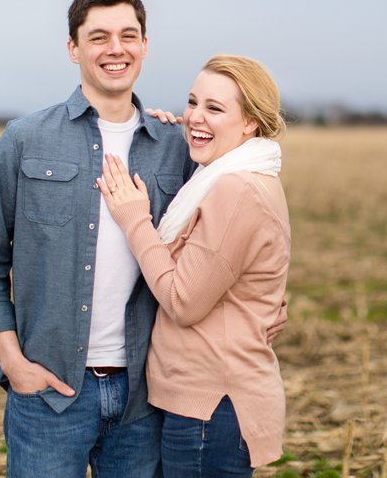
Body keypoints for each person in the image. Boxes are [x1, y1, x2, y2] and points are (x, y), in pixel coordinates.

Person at [0, 0, 197, 477]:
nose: (116, 49)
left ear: (145, 45)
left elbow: (218, 241)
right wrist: (13, 362)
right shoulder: (24, 139)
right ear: (73, 49)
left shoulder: (175, 147)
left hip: (145, 395)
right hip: (48, 395)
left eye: (128, 35)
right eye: (98, 37)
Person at [97, 54, 290, 477]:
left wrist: (135, 219)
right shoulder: (230, 177)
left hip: (212, 406)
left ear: (250, 123)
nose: (195, 117)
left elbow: (182, 301)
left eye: (215, 108)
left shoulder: (236, 190)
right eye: (192, 102)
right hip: (205, 402)